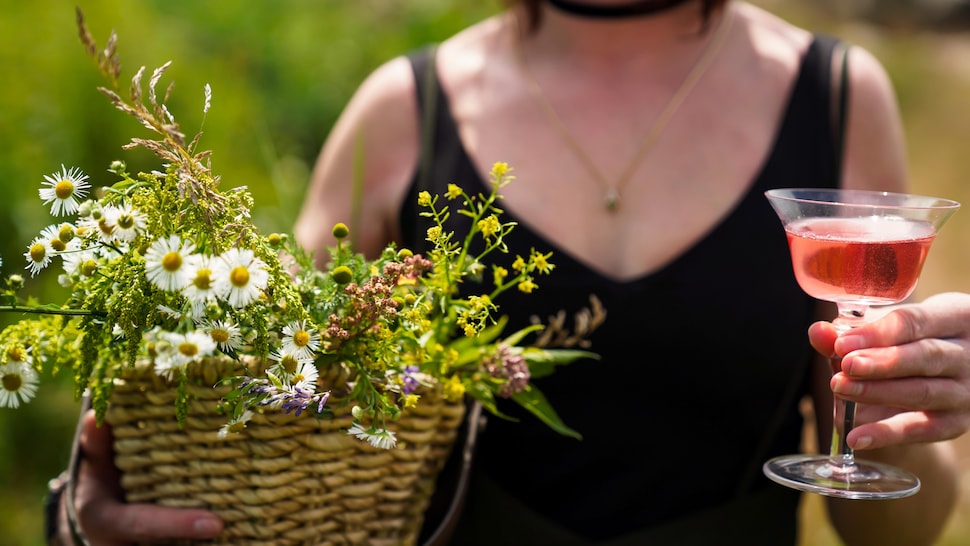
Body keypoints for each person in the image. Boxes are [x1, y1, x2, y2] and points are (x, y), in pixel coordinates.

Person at [50, 0, 969, 544]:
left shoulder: (839, 97)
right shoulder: (402, 116)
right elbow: (280, 427)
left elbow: (890, 528)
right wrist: (84, 510)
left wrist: (910, 408)